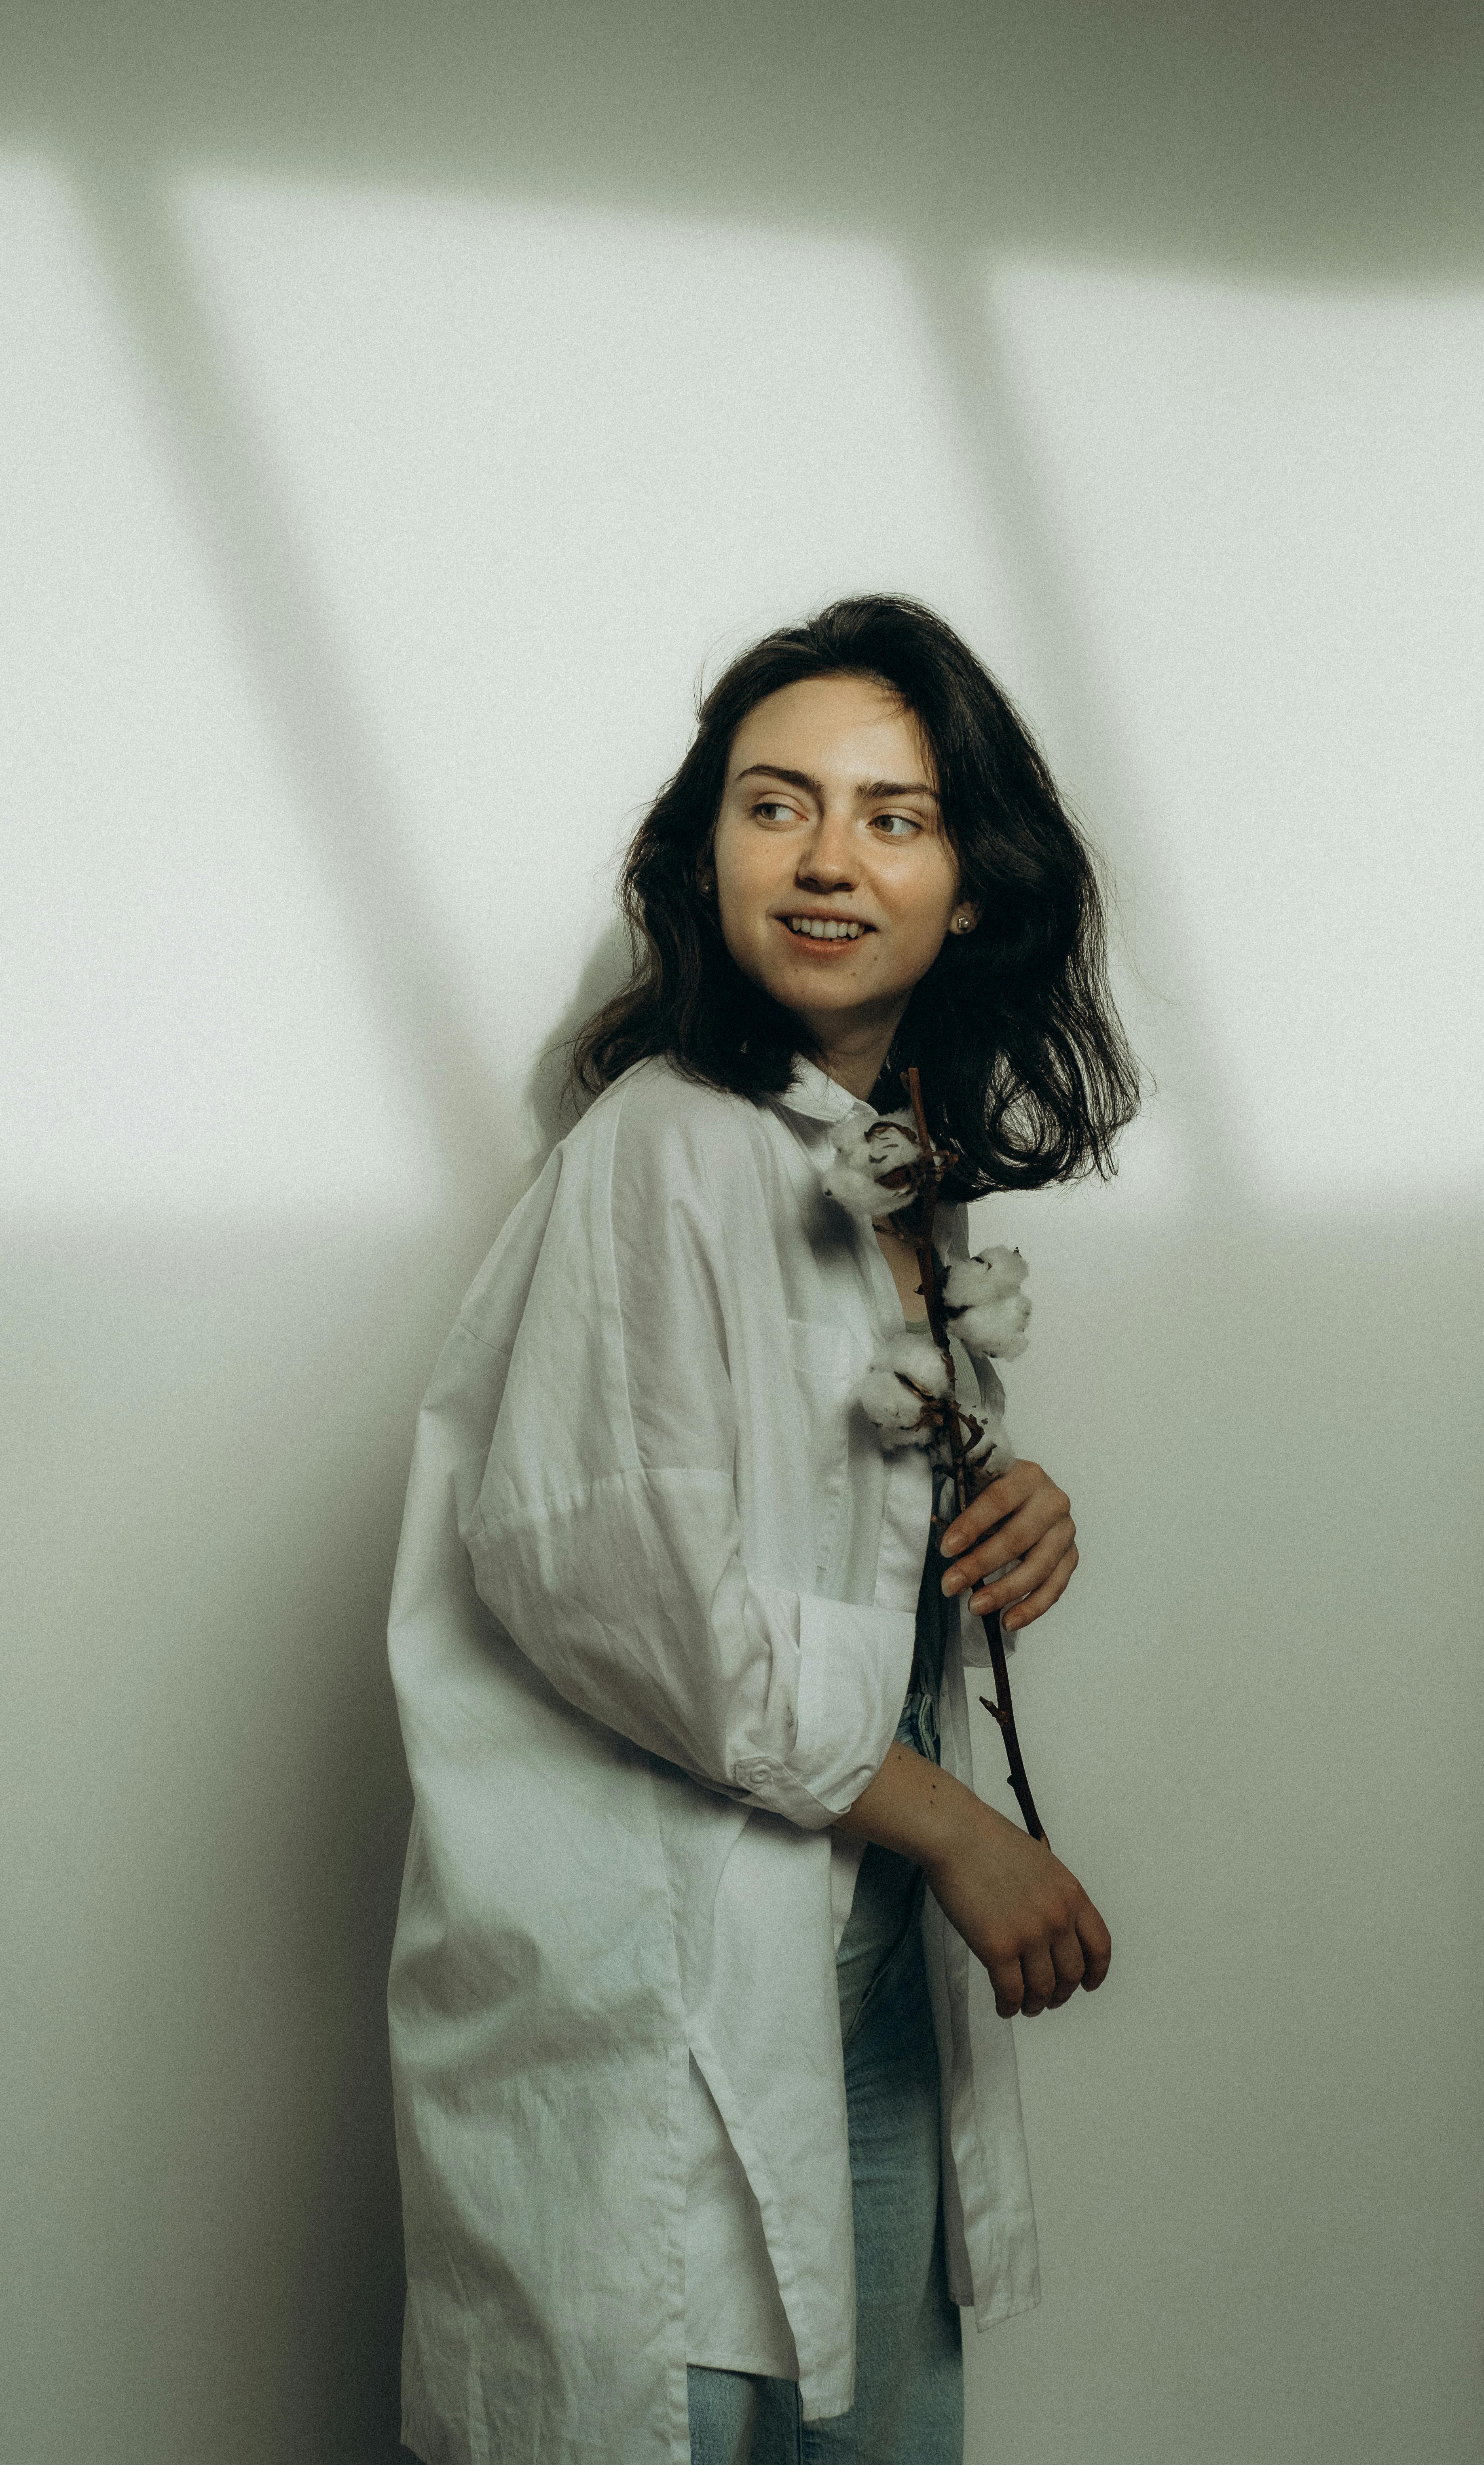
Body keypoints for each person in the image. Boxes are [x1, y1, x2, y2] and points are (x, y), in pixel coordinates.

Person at [386, 597, 1140, 2465]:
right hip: (670, 1981)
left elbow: (799, 1517)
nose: (823, 860)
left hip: (844, 1957)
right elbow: (612, 1584)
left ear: (971, 888)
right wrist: (961, 1832)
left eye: (893, 816)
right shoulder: (665, 1141)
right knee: (681, 2396)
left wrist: (1000, 1501)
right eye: (774, 804)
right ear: (701, 850)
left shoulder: (873, 1165)